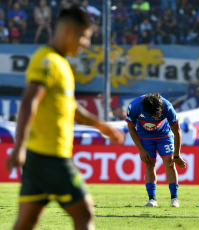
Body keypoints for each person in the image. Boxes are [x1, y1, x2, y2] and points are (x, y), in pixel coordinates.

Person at [5, 5, 124, 230]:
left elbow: (71, 108)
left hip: (38, 157)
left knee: (26, 223)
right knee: (85, 215)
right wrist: (19, 145)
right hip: (51, 157)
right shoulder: (46, 60)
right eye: (85, 37)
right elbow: (29, 101)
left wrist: (101, 126)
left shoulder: (62, 64)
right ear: (69, 31)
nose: (86, 44)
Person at [125, 93, 187, 207]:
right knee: (149, 164)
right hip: (145, 137)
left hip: (164, 135)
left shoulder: (168, 107)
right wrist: (140, 149)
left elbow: (177, 131)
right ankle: (152, 200)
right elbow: (131, 128)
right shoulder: (134, 106)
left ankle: (174, 199)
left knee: (170, 162)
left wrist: (177, 156)